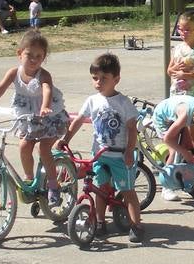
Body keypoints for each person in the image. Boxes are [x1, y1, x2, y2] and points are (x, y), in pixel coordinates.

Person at [62, 53, 145, 242]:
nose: (98, 82)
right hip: (99, 155)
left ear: (116, 80)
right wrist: (65, 139)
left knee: (128, 191)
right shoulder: (92, 100)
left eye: (104, 78)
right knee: (100, 189)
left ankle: (136, 225)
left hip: (120, 157)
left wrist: (129, 152)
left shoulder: (123, 103)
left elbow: (132, 129)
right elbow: (79, 121)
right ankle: (100, 222)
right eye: (95, 78)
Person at [0, 30, 69, 206]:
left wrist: (45, 106)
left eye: (39, 56)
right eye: (29, 55)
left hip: (49, 117)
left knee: (44, 150)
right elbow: (0, 88)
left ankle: (53, 186)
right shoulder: (14, 73)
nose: (34, 59)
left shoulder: (44, 75)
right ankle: (29, 180)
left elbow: (47, 90)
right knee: (24, 146)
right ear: (20, 54)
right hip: (28, 117)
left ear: (43, 58)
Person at [152, 93, 194, 201]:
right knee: (174, 151)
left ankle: (185, 177)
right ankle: (166, 187)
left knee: (187, 144)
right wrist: (184, 152)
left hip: (179, 116)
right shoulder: (185, 116)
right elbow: (168, 139)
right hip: (162, 118)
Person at [167, 9, 194, 96]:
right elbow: (169, 71)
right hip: (175, 94)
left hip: (193, 95)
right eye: (180, 29)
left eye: (187, 30)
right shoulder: (177, 48)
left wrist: (185, 75)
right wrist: (175, 67)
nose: (183, 33)